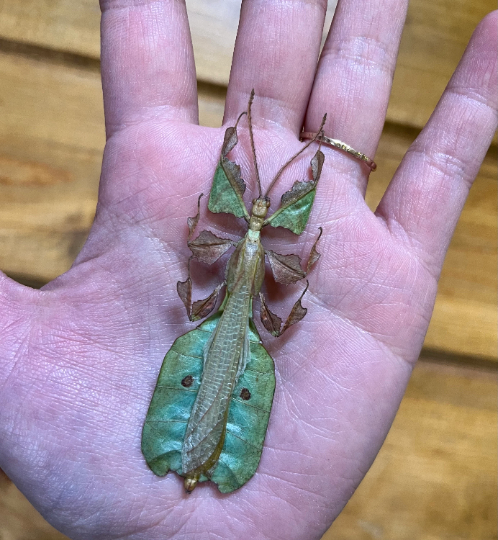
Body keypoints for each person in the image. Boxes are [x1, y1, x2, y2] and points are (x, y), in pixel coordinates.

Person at [0, 1, 496, 539]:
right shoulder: (250, 241)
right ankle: (191, 461)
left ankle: (202, 460)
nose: (258, 213)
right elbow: (234, 274)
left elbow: (228, 277)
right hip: (225, 324)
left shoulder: (244, 240)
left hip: (230, 327)